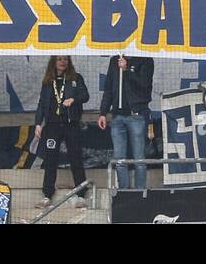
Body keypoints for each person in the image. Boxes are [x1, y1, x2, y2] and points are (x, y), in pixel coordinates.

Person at [35, 56, 91, 206]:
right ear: (54, 61)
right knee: (50, 159)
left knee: (75, 157)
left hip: (70, 124)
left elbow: (85, 96)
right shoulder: (47, 81)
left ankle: (81, 194)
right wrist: (38, 124)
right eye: (59, 59)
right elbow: (41, 103)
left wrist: (73, 100)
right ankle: (47, 194)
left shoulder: (75, 78)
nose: (63, 62)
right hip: (52, 125)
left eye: (65, 59)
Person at [98, 54, 154, 191]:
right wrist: (103, 113)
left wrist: (127, 70)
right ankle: (123, 190)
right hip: (117, 115)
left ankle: (140, 191)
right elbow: (109, 88)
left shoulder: (145, 59)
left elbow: (145, 85)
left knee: (139, 158)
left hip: (136, 114)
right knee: (119, 158)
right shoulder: (114, 61)